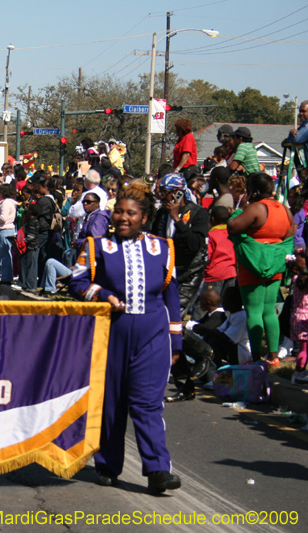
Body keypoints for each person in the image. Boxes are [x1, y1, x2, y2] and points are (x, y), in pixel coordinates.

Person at [69, 181, 182, 494]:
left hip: (153, 335)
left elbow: (172, 296)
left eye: (130, 213)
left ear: (143, 217)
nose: (122, 217)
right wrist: (103, 294)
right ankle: (107, 464)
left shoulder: (163, 248)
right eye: (118, 211)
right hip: (111, 333)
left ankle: (158, 469)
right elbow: (77, 283)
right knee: (112, 403)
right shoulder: (96, 247)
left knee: (147, 403)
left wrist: (177, 341)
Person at [228, 173, 295, 365]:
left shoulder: (256, 208)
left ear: (253, 189)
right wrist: (272, 245)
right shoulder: (284, 209)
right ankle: (273, 356)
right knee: (269, 311)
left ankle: (256, 357)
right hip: (275, 265)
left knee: (254, 312)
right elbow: (290, 232)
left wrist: (239, 209)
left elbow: (233, 227)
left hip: (252, 264)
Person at [151, 174, 210, 317]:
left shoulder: (198, 213)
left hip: (189, 272)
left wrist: (177, 218)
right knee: (160, 311)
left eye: (165, 193)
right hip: (167, 270)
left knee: (175, 314)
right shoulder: (162, 213)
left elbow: (195, 244)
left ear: (178, 193)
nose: (162, 197)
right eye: (161, 193)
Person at [0, 184, 19, 285]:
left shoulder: (6, 203)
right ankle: (5, 275)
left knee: (5, 254)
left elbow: (3, 218)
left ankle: (6, 276)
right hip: (4, 230)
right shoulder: (7, 202)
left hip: (4, 230)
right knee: (4, 254)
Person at [287, 252, 308, 384]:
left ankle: (298, 373)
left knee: (303, 348)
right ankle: (299, 374)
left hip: (296, 317)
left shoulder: (295, 279)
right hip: (305, 317)